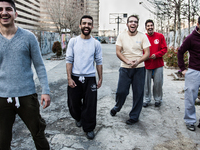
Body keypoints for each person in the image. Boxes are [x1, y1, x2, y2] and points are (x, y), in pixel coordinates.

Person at [0, 0, 51, 149]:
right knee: (2, 140)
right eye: (1, 9)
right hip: (2, 97)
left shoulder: (29, 37)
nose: (4, 12)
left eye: (8, 9)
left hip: (27, 95)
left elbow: (40, 65)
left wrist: (45, 91)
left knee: (38, 134)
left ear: (15, 14)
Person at [66, 15, 102, 139]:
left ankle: (89, 128)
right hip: (75, 77)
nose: (86, 26)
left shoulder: (96, 43)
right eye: (84, 23)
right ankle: (78, 117)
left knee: (90, 105)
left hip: (90, 78)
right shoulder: (73, 41)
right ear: (80, 26)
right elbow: (69, 60)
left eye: (89, 24)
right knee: (73, 104)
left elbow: (99, 61)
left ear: (92, 26)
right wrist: (69, 78)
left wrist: (100, 77)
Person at [110, 14, 150, 125]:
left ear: (137, 24)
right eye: (131, 21)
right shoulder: (121, 36)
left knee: (138, 93)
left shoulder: (142, 36)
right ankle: (117, 107)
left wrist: (138, 61)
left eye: (135, 22)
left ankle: (134, 116)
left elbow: (147, 53)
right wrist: (127, 61)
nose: (133, 23)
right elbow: (118, 51)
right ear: (127, 24)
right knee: (121, 91)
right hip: (125, 68)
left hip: (139, 69)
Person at [178, 16, 200, 131]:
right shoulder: (191, 38)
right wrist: (183, 69)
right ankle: (190, 121)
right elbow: (180, 52)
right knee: (190, 98)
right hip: (194, 71)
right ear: (198, 24)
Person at [143, 19, 167, 107]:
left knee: (158, 83)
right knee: (146, 84)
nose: (150, 27)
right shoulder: (143, 37)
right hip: (146, 64)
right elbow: (139, 50)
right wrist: (145, 56)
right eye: (148, 26)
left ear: (153, 26)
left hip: (158, 64)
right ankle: (146, 99)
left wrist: (156, 55)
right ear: (146, 27)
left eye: (151, 25)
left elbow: (164, 49)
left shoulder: (160, 36)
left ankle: (158, 99)